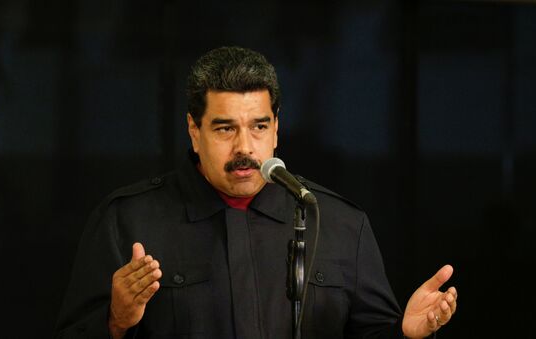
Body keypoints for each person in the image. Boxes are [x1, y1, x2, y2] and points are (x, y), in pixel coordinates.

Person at [54, 46, 457, 339]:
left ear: (277, 127)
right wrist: (115, 321)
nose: (244, 147)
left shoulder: (337, 222)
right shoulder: (128, 220)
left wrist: (407, 335)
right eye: (225, 128)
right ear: (194, 131)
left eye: (259, 126)